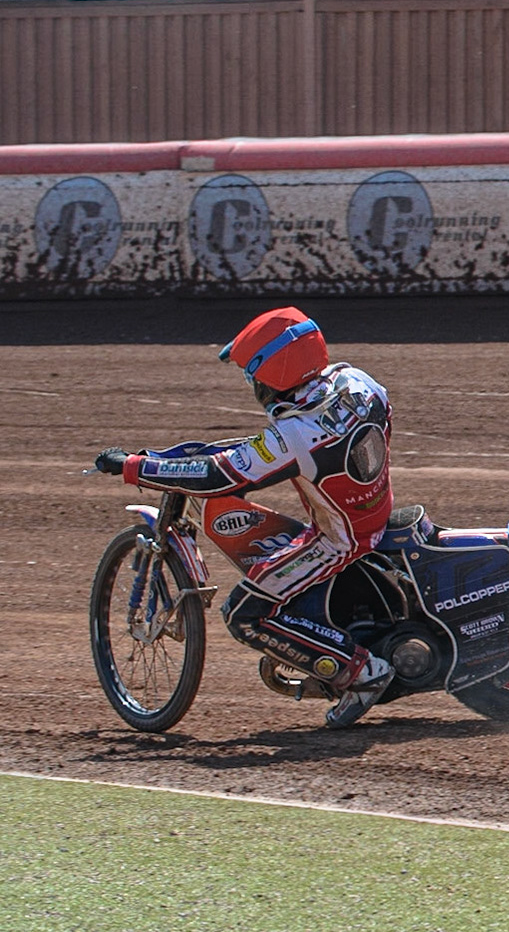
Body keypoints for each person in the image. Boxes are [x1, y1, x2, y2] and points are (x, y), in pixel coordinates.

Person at [96, 306, 400, 729]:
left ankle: (361, 673)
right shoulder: (357, 382)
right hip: (374, 507)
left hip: (339, 539)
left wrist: (133, 467)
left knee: (243, 614)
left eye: (252, 374)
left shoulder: (294, 435)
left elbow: (216, 477)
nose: (251, 384)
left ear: (274, 373)